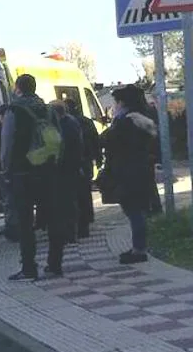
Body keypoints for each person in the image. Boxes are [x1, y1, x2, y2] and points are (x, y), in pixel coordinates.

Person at [1, 74, 65, 280]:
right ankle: (55, 264)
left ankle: (29, 267)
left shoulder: (14, 110)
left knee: (25, 221)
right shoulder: (48, 109)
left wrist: (5, 169)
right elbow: (59, 137)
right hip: (49, 170)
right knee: (54, 217)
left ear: (18, 88)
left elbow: (7, 143)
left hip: (22, 171)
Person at [101, 85, 157, 264]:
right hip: (140, 170)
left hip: (128, 171)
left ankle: (139, 250)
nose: (114, 106)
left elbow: (111, 141)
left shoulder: (126, 121)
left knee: (134, 210)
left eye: (116, 102)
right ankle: (138, 247)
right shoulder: (142, 118)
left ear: (122, 102)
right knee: (136, 210)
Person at [64, 98, 101, 239]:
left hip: (74, 163)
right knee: (85, 193)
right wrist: (98, 158)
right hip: (85, 161)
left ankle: (76, 226)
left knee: (74, 196)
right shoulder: (85, 121)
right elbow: (95, 140)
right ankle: (86, 221)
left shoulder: (66, 123)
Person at [50, 100, 83, 244]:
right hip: (72, 166)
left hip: (64, 167)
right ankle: (70, 232)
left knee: (64, 202)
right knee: (69, 201)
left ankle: (68, 233)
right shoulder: (72, 122)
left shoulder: (63, 126)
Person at [0, 105, 17, 242]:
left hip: (4, 169)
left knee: (9, 200)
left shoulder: (0, 129)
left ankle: (12, 227)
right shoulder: (2, 128)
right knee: (9, 200)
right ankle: (11, 226)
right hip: (4, 168)